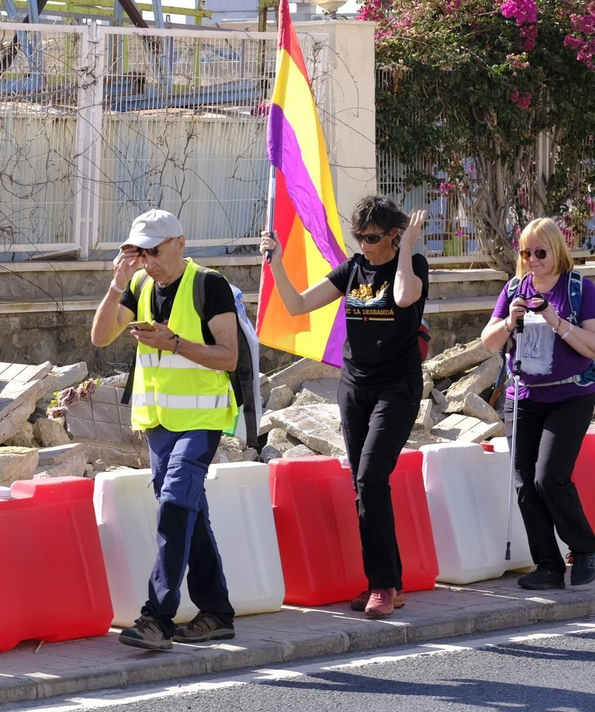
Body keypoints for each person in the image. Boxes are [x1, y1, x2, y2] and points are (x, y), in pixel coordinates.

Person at [259, 194, 428, 619]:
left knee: (371, 476)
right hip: (354, 386)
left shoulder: (413, 265)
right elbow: (298, 306)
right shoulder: (352, 269)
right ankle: (389, 582)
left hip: (397, 388)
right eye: (359, 237)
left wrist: (407, 248)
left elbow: (403, 297)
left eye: (372, 238)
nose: (364, 246)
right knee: (364, 483)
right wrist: (275, 263)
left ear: (393, 234)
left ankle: (383, 585)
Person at [90, 209, 240, 650]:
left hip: (203, 419)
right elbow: (100, 337)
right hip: (158, 424)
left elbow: (229, 356)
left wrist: (175, 343)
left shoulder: (209, 285)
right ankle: (217, 612)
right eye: (141, 253)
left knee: (174, 506)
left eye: (155, 252)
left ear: (180, 244)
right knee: (189, 511)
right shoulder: (138, 285)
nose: (149, 261)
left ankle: (156, 617)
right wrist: (117, 282)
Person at [479, 218, 595, 590]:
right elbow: (488, 342)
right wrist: (509, 322)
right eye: (525, 253)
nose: (532, 260)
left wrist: (555, 320)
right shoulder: (514, 289)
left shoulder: (579, 288)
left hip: (570, 396)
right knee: (524, 483)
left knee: (549, 477)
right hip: (523, 398)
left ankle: (583, 549)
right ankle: (548, 566)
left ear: (557, 250)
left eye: (540, 252)